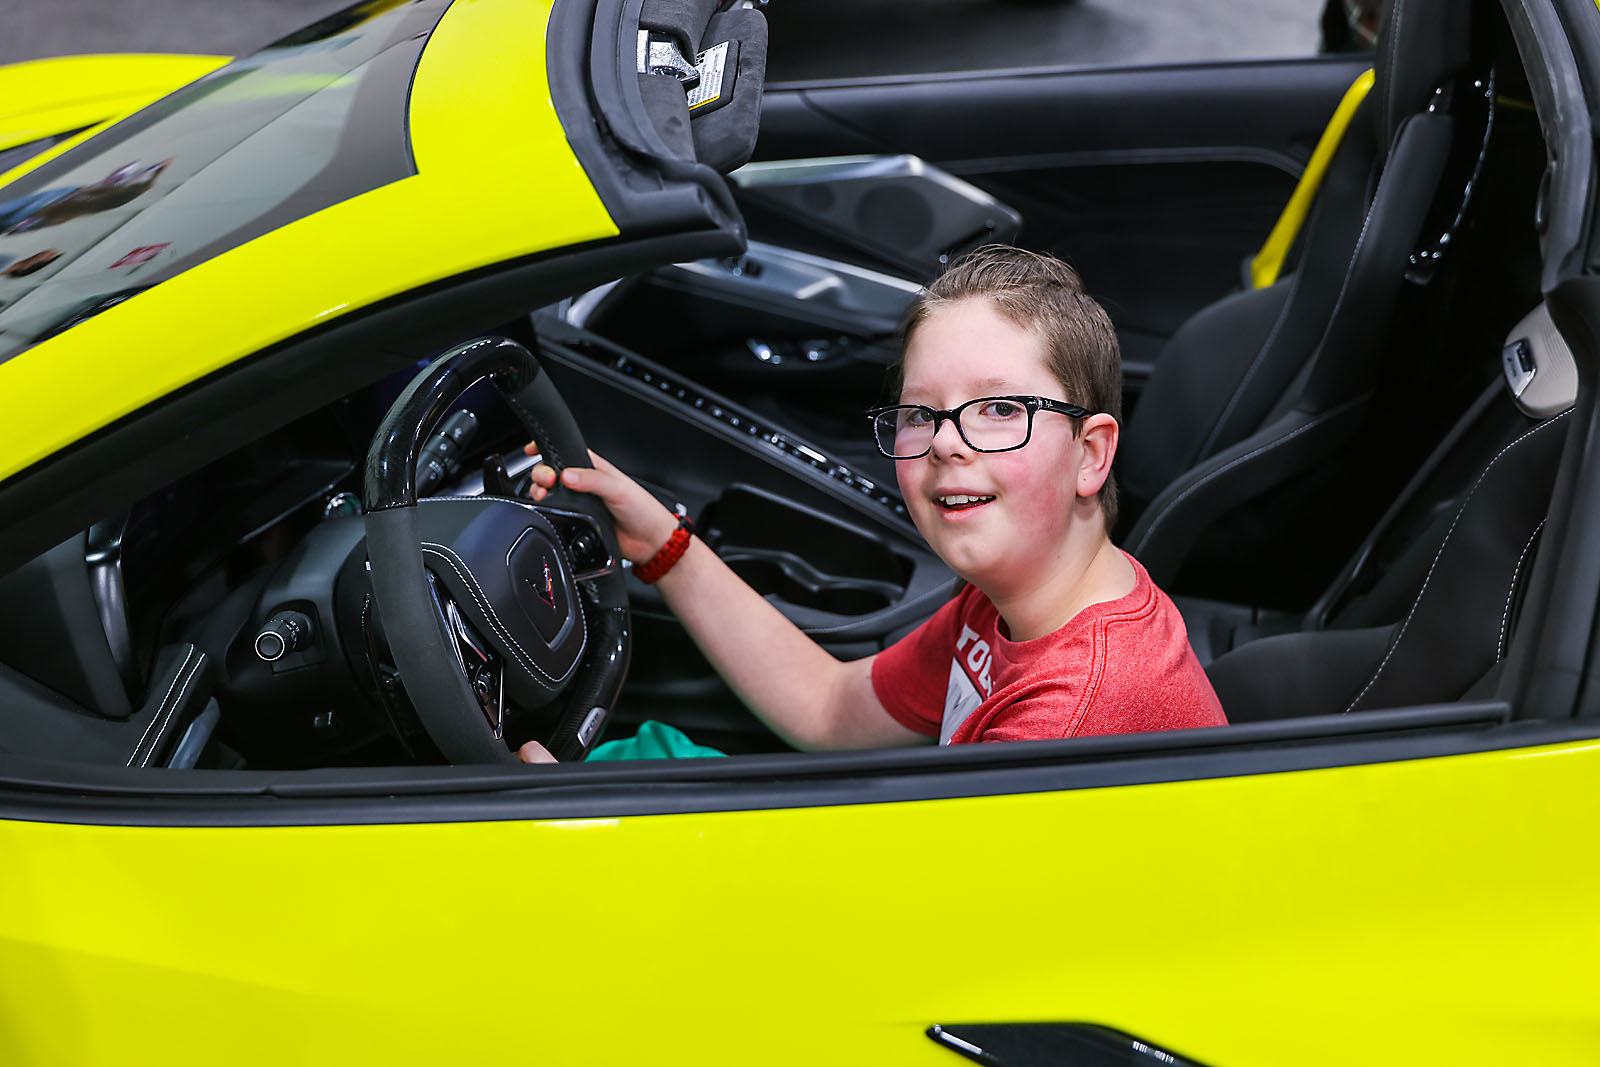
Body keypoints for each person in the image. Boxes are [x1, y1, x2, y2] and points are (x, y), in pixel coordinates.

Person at [517, 245, 1225, 762]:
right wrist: (664, 546)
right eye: (920, 413)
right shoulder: (1010, 600)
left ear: (1091, 454)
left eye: (1000, 408)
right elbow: (829, 708)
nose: (945, 442)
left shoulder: (1076, 712)